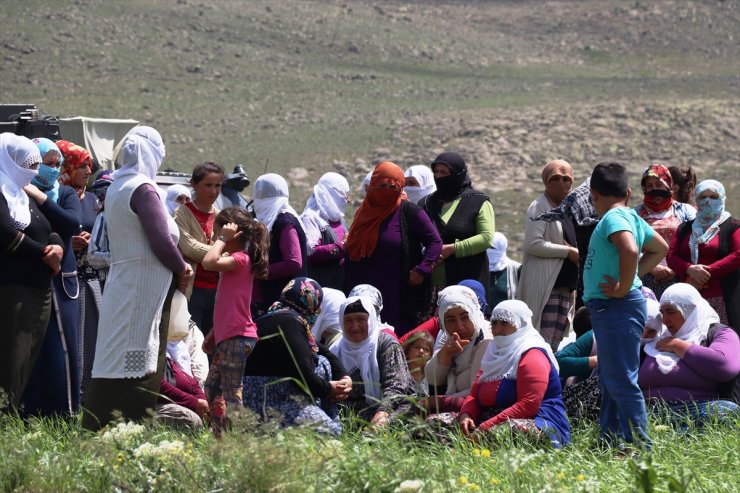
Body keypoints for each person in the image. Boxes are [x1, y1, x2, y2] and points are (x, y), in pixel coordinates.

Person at [81, 126, 193, 431]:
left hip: (128, 283)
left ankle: (101, 422)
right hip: (141, 288)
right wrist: (182, 268)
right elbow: (160, 239)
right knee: (139, 354)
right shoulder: (143, 188)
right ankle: (126, 424)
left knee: (118, 352)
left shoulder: (118, 185)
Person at [582, 162, 669, 448]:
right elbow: (660, 248)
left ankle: (640, 446)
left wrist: (623, 285)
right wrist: (631, 279)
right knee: (611, 377)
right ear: (629, 192)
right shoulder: (630, 215)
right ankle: (609, 440)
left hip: (616, 306)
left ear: (593, 194)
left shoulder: (614, 217)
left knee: (621, 379)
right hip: (615, 305)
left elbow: (631, 249)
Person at [19, 140, 82, 416]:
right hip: (32, 279)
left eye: (58, 164)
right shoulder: (16, 194)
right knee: (32, 347)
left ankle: (63, 413)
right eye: (46, 163)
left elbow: (70, 224)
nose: (53, 169)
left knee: (63, 348)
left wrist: (41, 196)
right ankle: (30, 412)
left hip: (63, 282)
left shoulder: (64, 193)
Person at [0, 133, 63, 410]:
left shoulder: (22, 194)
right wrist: (43, 254)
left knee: (26, 358)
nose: (34, 172)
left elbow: (51, 230)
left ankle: (11, 414)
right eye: (28, 164)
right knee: (10, 359)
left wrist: (57, 248)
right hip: (14, 290)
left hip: (39, 292)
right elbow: (5, 234)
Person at [344, 161, 442, 336]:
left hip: (397, 296)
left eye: (393, 186)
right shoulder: (363, 213)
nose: (386, 190)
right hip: (363, 294)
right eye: (381, 185)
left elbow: (435, 242)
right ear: (372, 185)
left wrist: (422, 270)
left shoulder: (408, 211)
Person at [244, 278, 351, 436]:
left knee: (322, 361)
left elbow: (325, 353)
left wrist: (344, 376)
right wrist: (330, 389)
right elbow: (304, 374)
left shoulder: (270, 318)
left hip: (255, 398)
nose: (318, 313)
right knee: (331, 432)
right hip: (270, 399)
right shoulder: (291, 323)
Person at [458, 300, 571, 448]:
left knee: (508, 431)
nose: (497, 329)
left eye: (504, 323)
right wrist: (466, 414)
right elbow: (474, 394)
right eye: (494, 323)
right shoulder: (493, 354)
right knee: (438, 422)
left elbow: (529, 404)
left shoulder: (532, 353)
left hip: (538, 421)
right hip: (493, 419)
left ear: (521, 325)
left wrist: (485, 428)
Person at [201, 206, 269, 432]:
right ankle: (222, 436)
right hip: (230, 335)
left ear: (234, 235)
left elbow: (208, 262)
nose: (214, 238)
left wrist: (222, 238)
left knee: (231, 394)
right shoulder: (237, 261)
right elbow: (229, 305)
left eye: (218, 233)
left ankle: (243, 440)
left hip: (237, 336)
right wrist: (215, 331)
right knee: (212, 389)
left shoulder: (239, 260)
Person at [640, 283, 739, 426]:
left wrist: (678, 346)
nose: (665, 320)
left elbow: (725, 366)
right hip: (650, 411)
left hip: (697, 410)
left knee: (727, 410)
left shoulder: (719, 333)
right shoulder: (657, 336)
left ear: (691, 310)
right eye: (662, 312)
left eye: (671, 311)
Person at [56, 140, 103, 407]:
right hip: (68, 280)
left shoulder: (94, 199)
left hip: (92, 279)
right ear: (67, 166)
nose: (88, 170)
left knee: (93, 343)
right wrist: (68, 242)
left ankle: (89, 401)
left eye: (89, 165)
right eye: (82, 165)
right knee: (73, 342)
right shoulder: (58, 196)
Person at [517, 160, 580, 352]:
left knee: (556, 342)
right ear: (546, 181)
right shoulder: (539, 207)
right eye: (556, 178)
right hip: (547, 286)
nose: (562, 183)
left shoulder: (568, 209)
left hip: (564, 287)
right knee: (541, 342)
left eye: (567, 178)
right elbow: (533, 244)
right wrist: (567, 251)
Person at [331, 296, 415, 426]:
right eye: (348, 321)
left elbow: (396, 386)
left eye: (361, 319)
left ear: (370, 320)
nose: (355, 326)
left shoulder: (386, 344)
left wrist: (382, 412)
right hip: (351, 411)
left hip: (389, 408)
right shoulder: (336, 349)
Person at [421, 151, 494, 299]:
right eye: (436, 172)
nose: (439, 176)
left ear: (458, 173)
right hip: (432, 286)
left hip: (467, 283)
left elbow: (486, 238)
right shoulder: (427, 203)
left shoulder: (477, 201)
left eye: (444, 172)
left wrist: (452, 249)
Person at [667, 180, 738, 327]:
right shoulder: (685, 228)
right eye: (703, 197)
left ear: (722, 198)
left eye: (713, 196)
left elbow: (738, 255)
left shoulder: (733, 226)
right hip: (689, 299)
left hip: (722, 297)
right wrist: (689, 269)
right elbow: (671, 256)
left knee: (721, 341)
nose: (708, 201)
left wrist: (705, 273)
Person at [174, 161, 224, 337]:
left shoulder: (221, 216)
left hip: (217, 292)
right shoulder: (182, 213)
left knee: (211, 345)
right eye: (208, 185)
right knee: (190, 343)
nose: (214, 191)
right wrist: (218, 254)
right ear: (194, 184)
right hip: (191, 290)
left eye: (217, 185)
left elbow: (228, 250)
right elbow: (189, 248)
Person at [425, 285, 493, 412]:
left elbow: (477, 391)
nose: (459, 327)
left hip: (477, 407)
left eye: (465, 317)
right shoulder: (446, 334)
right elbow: (432, 378)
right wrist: (446, 353)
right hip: (452, 403)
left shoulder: (487, 338)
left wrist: (440, 401)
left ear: (474, 313)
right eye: (451, 320)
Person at [634, 163, 696, 299]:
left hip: (679, 277)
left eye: (658, 184)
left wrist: (676, 267)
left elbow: (695, 241)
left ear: (668, 185)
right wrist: (652, 267)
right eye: (649, 186)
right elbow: (630, 245)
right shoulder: (636, 214)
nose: (654, 189)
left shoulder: (685, 211)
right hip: (646, 279)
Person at [252, 173, 308, 313]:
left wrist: (261, 273)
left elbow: (294, 262)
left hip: (284, 300)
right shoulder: (271, 220)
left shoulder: (284, 222)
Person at [300, 172, 350, 290]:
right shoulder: (310, 218)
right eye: (344, 195)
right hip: (318, 287)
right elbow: (310, 253)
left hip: (339, 284)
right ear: (332, 194)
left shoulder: (339, 219)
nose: (348, 200)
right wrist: (343, 246)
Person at [156, 340, 209, 429]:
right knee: (192, 420)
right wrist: (194, 403)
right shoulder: (147, 348)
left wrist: (202, 400)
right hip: (154, 404)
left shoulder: (170, 349)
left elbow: (190, 381)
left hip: (185, 403)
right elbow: (157, 384)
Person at [486, 232, 521, 315]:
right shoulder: (479, 268)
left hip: (508, 321)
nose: (488, 250)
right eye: (485, 247)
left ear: (501, 248)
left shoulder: (516, 269)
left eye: (492, 247)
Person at [403, 331, 435, 398]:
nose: (421, 351)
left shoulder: (432, 378)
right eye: (417, 347)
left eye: (426, 349)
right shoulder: (400, 374)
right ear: (407, 352)